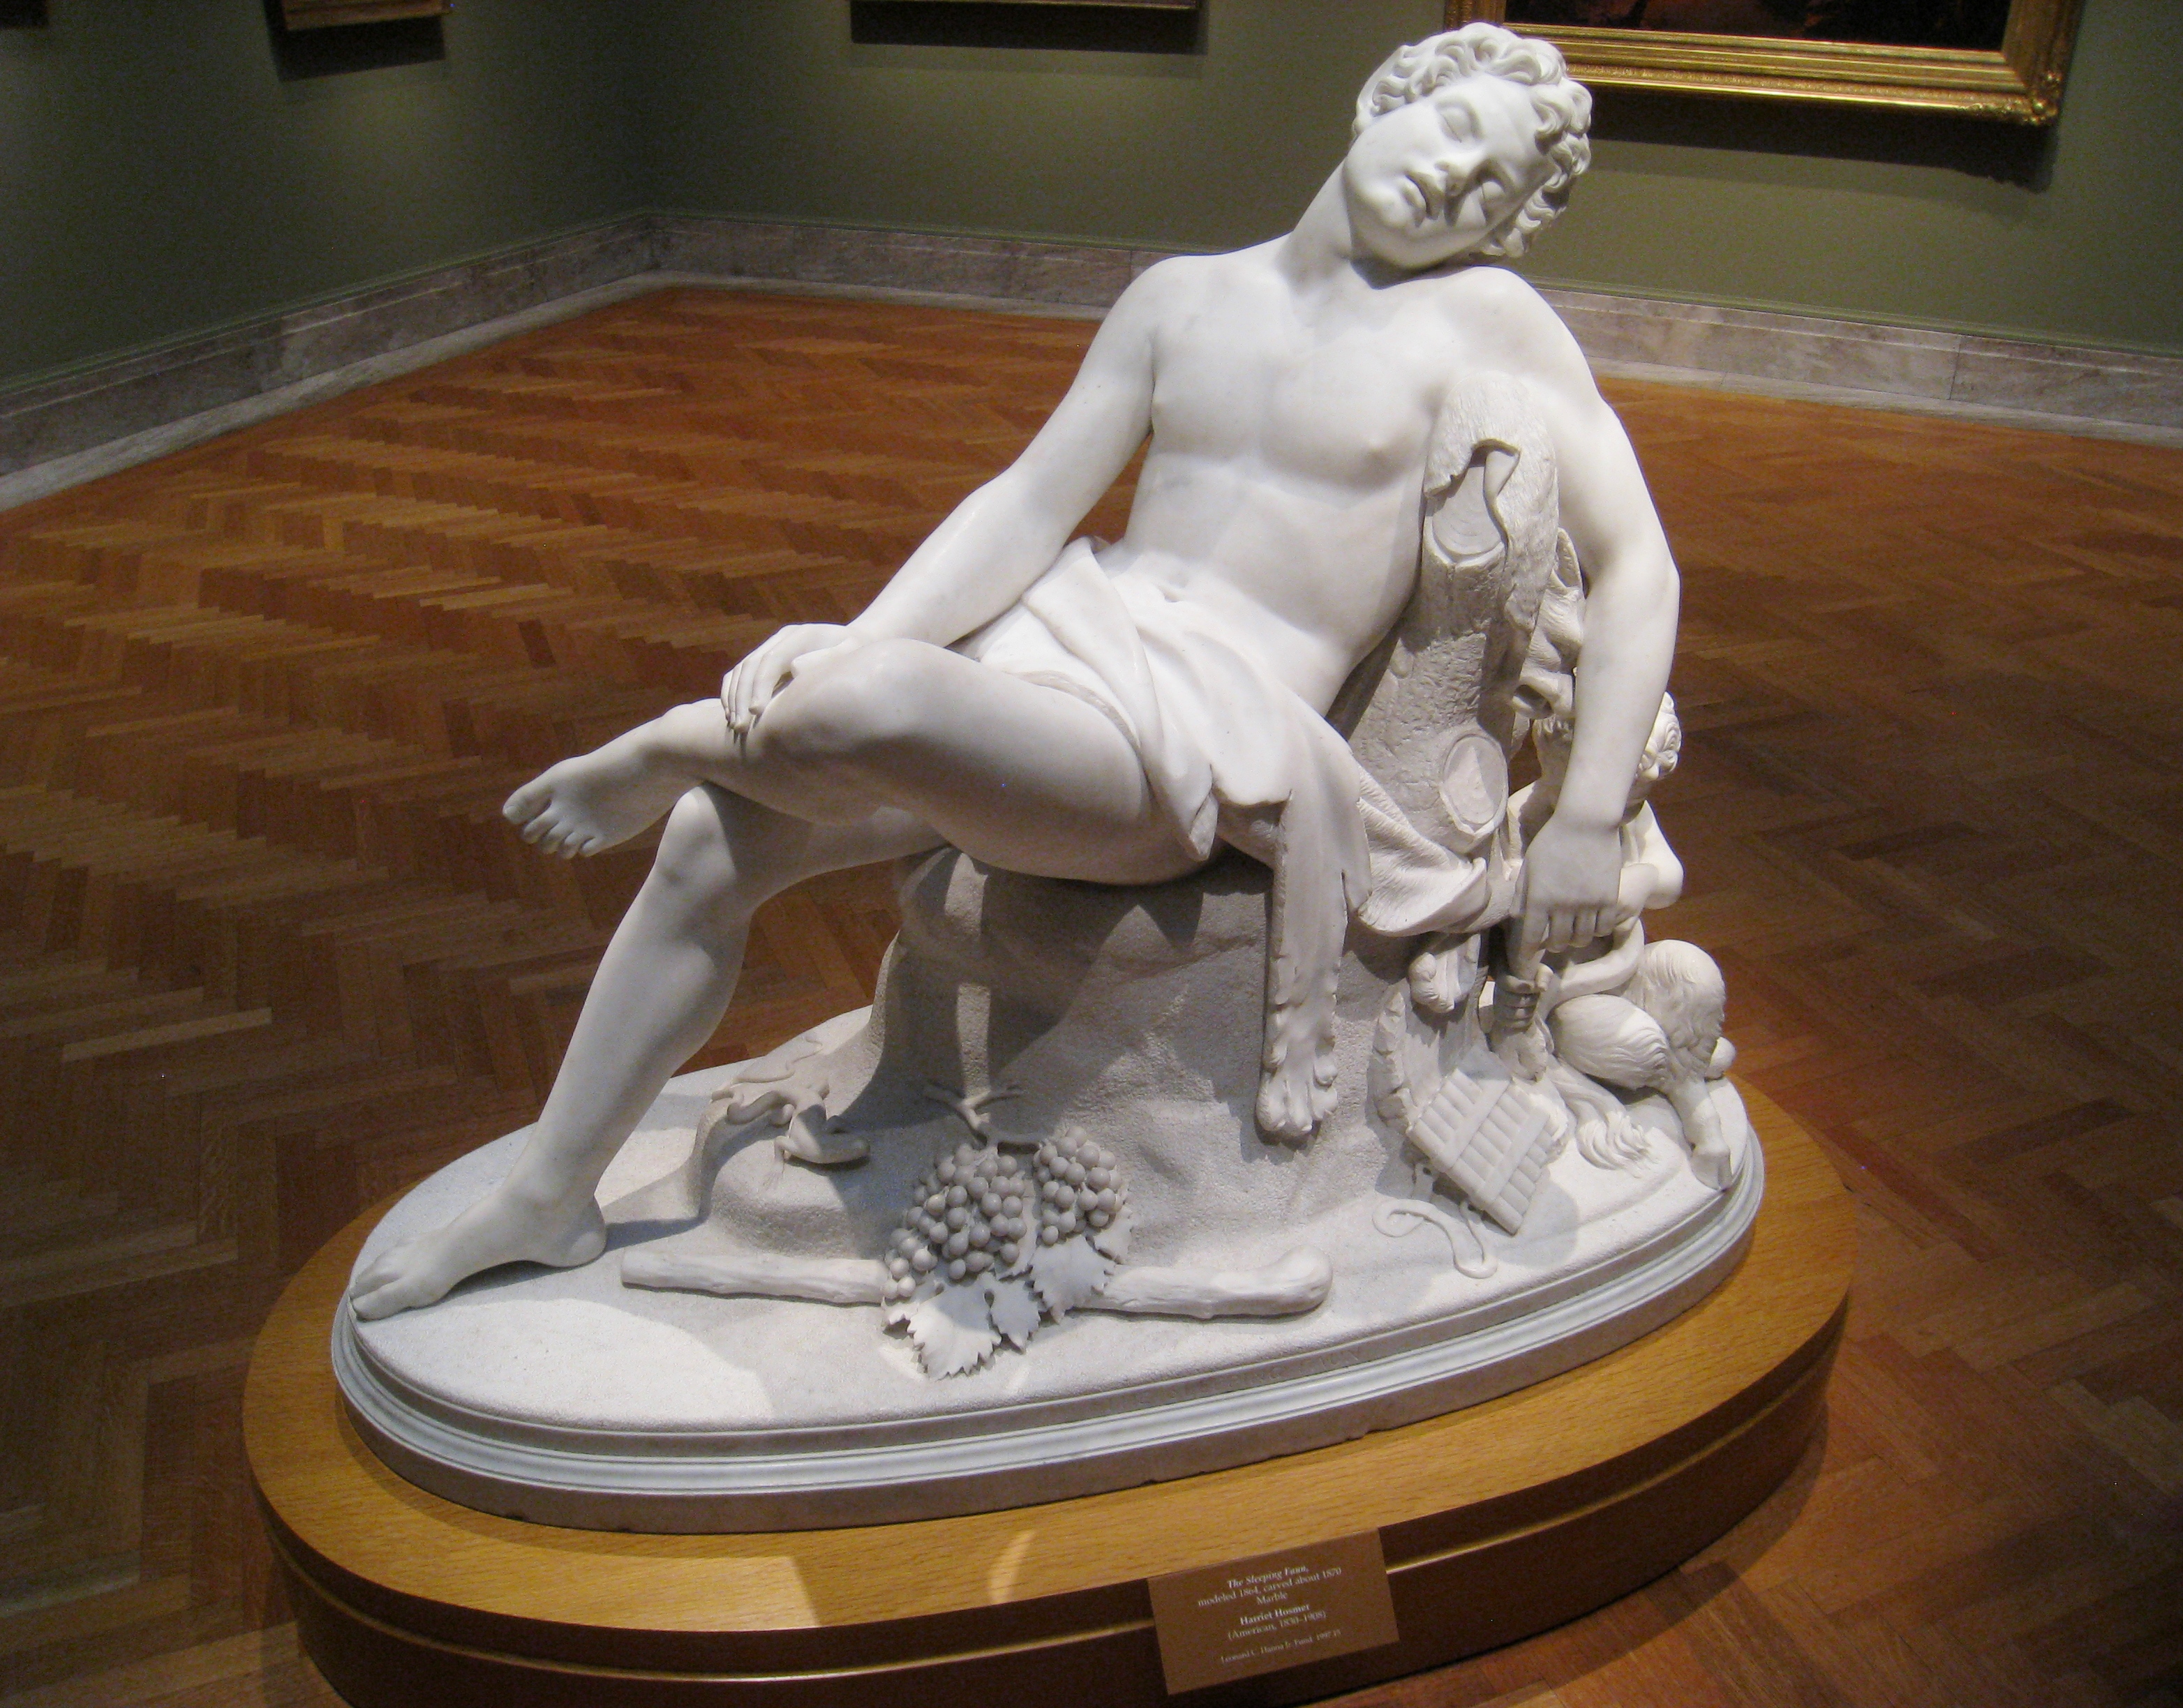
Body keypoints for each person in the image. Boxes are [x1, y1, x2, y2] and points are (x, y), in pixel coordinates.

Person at [350, 24, 1681, 1321]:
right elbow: (1031, 501)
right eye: (1456, 130)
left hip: (1201, 739)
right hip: (1062, 643)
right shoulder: (1181, 296)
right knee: (716, 839)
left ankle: (669, 740)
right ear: (1388, 98)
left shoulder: (1487, 323)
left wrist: (1584, 813)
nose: (1456, 179)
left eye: (1493, 187)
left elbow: (1638, 567)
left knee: (872, 702)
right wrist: (870, 626)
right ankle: (549, 1194)